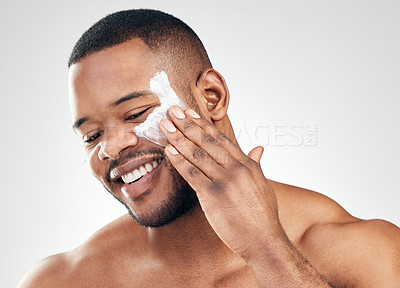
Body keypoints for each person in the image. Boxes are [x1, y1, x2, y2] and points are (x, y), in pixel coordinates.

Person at [18, 9, 400, 288]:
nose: (111, 147)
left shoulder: (365, 253)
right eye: (91, 135)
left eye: (136, 113)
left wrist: (266, 250)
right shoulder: (66, 281)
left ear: (211, 97)